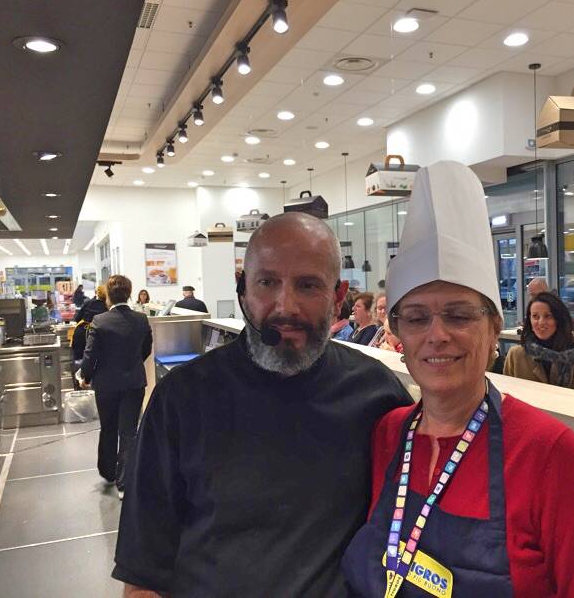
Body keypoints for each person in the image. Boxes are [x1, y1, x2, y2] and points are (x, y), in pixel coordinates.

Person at [342, 161, 574, 596]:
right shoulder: (388, 434)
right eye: (416, 318)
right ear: (398, 334)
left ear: (494, 330)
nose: (437, 335)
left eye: (458, 315)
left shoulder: (550, 454)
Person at [114, 212, 412, 596]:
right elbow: (143, 574)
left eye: (308, 285)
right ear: (243, 289)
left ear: (338, 297)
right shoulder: (182, 399)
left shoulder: (378, 397)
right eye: (268, 282)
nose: (285, 306)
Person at [78, 275, 152, 499]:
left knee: (108, 427)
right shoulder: (141, 319)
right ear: (130, 294)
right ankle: (124, 483)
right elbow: (146, 348)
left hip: (106, 385)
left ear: (108, 296)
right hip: (134, 383)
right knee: (128, 431)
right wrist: (133, 363)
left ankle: (108, 472)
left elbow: (90, 355)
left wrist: (86, 376)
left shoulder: (100, 321)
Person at [503, 292, 574, 394]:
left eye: (548, 316)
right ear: (529, 321)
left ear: (559, 320)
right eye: (535, 316)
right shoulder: (516, 355)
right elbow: (507, 397)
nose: (541, 322)